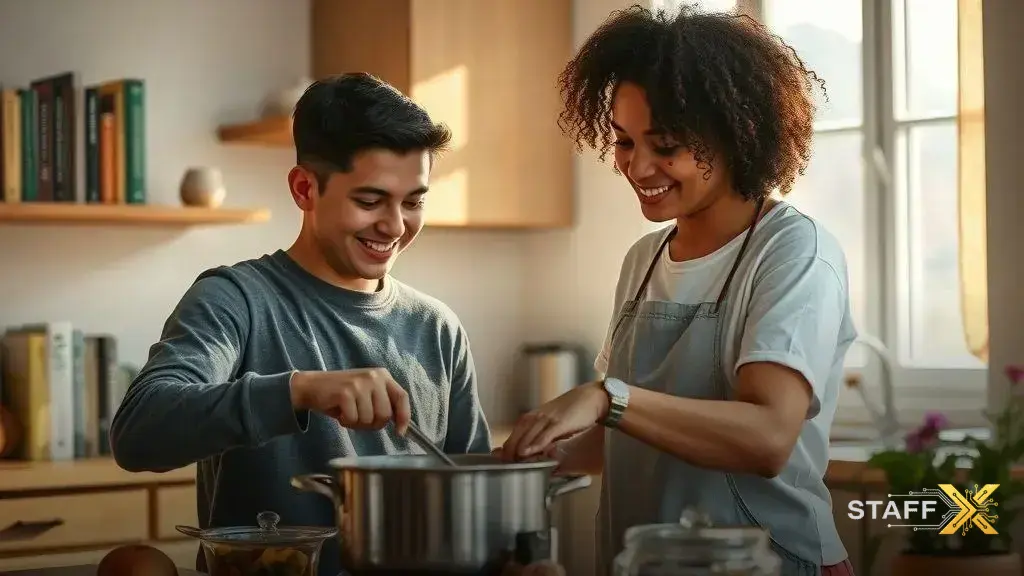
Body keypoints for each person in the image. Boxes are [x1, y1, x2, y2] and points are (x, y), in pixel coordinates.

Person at [499, 6, 857, 576]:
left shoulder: (793, 252)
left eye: (665, 145)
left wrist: (608, 397)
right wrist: (536, 458)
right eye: (623, 141)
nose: (638, 167)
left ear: (736, 134)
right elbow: (634, 437)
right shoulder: (643, 260)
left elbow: (767, 438)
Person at [110, 72, 492, 576]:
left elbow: (477, 501)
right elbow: (139, 432)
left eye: (413, 201)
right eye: (370, 201)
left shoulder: (437, 328)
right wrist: (299, 391)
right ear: (304, 188)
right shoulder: (235, 300)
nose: (396, 226)